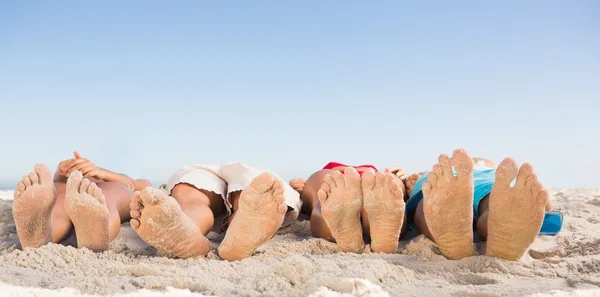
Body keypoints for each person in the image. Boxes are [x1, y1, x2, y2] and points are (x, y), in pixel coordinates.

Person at [404, 148, 563, 261]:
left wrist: (411, 183)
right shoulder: (489, 171)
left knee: (427, 208)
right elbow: (540, 199)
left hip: (443, 190)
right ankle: (498, 227)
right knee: (494, 205)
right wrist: (540, 202)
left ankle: (454, 242)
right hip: (489, 186)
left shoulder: (435, 176)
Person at [129, 163, 302, 261]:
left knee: (190, 196)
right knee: (255, 188)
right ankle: (239, 224)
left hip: (199, 169)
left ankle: (190, 224)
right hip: (253, 171)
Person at [12, 151, 151, 251]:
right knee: (58, 196)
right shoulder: (72, 180)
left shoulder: (118, 178)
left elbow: (141, 185)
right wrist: (62, 173)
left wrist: (101, 173)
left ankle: (95, 233)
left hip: (104, 190)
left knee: (107, 196)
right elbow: (57, 182)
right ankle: (40, 232)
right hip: (69, 190)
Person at [289, 162, 408, 254]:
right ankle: (382, 235)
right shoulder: (377, 173)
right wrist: (403, 181)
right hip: (373, 179)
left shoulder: (331, 170)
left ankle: (341, 233)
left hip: (335, 176)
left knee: (323, 198)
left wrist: (296, 192)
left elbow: (301, 205)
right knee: (389, 190)